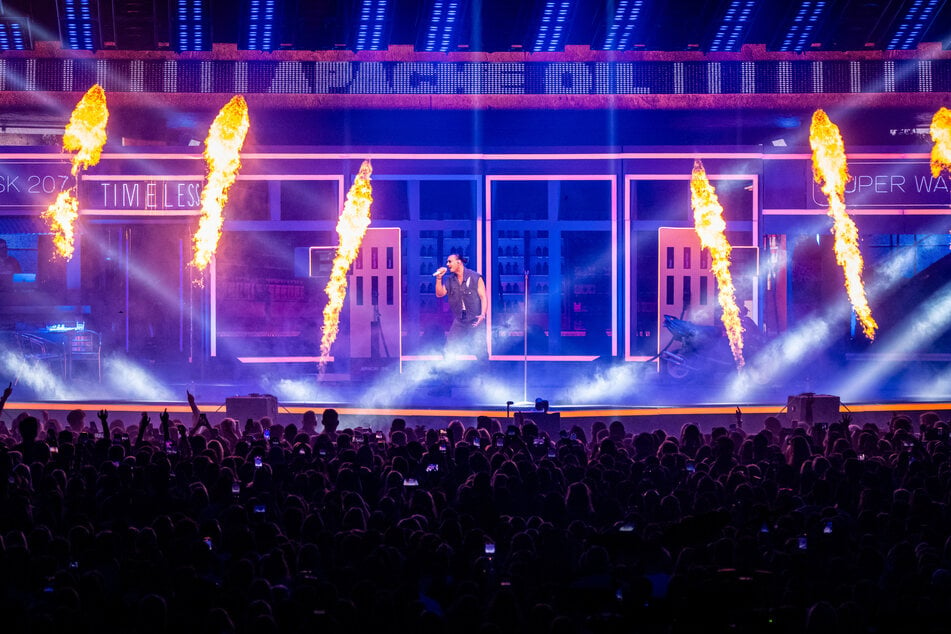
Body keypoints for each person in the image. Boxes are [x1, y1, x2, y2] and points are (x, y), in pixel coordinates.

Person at [434, 253, 487, 359]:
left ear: (459, 262)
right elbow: (439, 294)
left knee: (480, 352)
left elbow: (483, 297)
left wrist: (482, 314)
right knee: (448, 349)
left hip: (475, 319)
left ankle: (486, 374)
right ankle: (448, 373)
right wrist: (439, 278)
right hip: (460, 319)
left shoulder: (475, 277)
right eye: (447, 262)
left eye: (450, 261)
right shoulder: (450, 280)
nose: (447, 264)